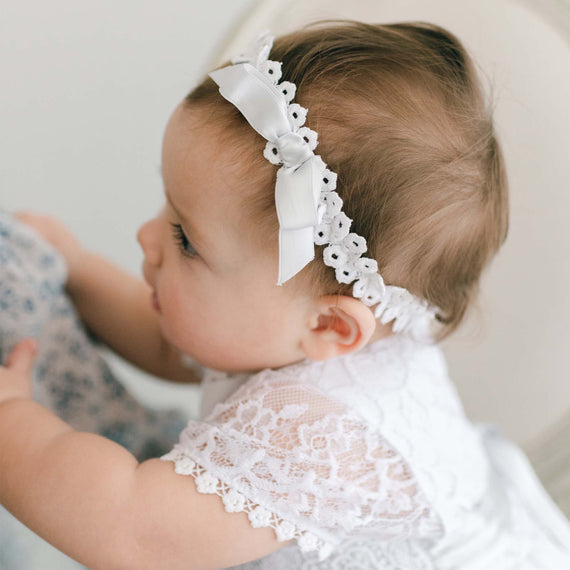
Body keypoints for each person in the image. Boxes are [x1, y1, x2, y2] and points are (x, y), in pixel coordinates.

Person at [1, 19, 569, 569]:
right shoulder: (295, 322)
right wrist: (77, 269)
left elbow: (128, 529)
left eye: (185, 239)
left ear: (330, 327)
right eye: (167, 205)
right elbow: (176, 342)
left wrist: (12, 420)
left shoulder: (319, 435)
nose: (146, 238)